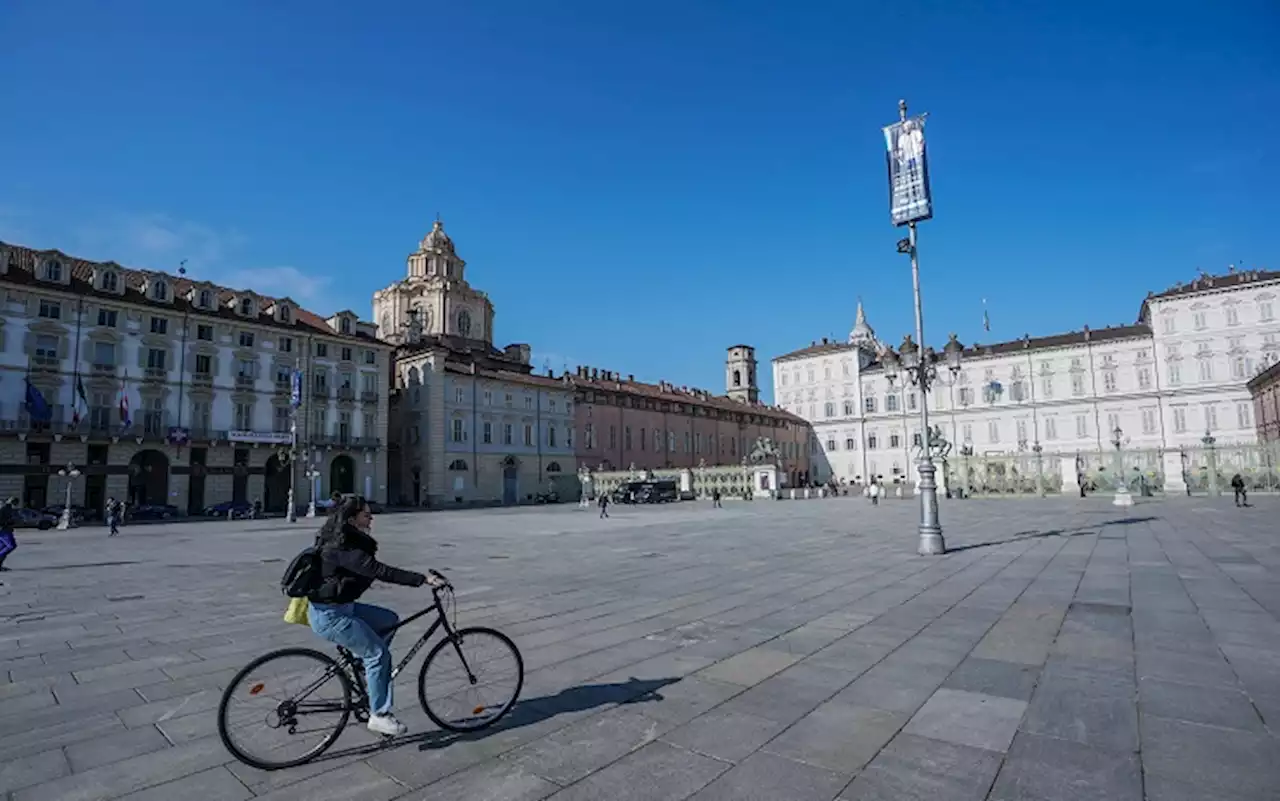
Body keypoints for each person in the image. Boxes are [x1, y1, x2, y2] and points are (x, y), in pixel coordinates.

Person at [308, 495, 442, 736]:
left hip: (341, 608)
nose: (371, 518)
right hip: (331, 616)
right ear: (352, 519)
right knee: (379, 654)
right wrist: (423, 579)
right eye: (366, 515)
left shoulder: (344, 539)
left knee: (388, 620)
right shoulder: (344, 547)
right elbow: (380, 571)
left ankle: (359, 667)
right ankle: (379, 714)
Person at [0, 497, 17, 573]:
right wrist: (8, 522)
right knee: (10, 546)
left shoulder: (8, 509)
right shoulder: (5, 509)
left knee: (5, 547)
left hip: (6, 530)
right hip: (4, 530)